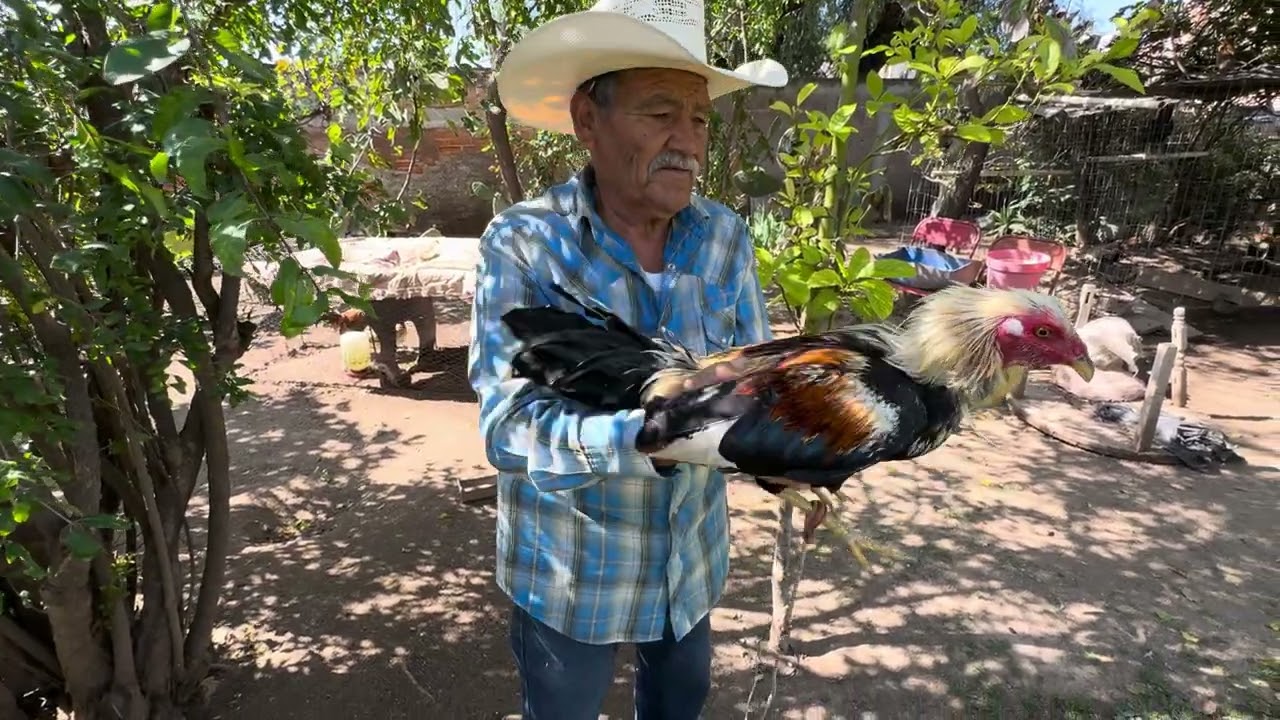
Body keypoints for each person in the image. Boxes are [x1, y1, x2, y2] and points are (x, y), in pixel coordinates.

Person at [466, 1, 789, 718]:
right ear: (588, 120)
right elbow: (508, 426)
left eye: (700, 119)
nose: (688, 141)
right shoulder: (524, 243)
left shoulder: (724, 236)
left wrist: (785, 458)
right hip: (573, 573)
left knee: (680, 704)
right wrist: (649, 434)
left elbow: (753, 378)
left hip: (689, 561)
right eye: (659, 113)